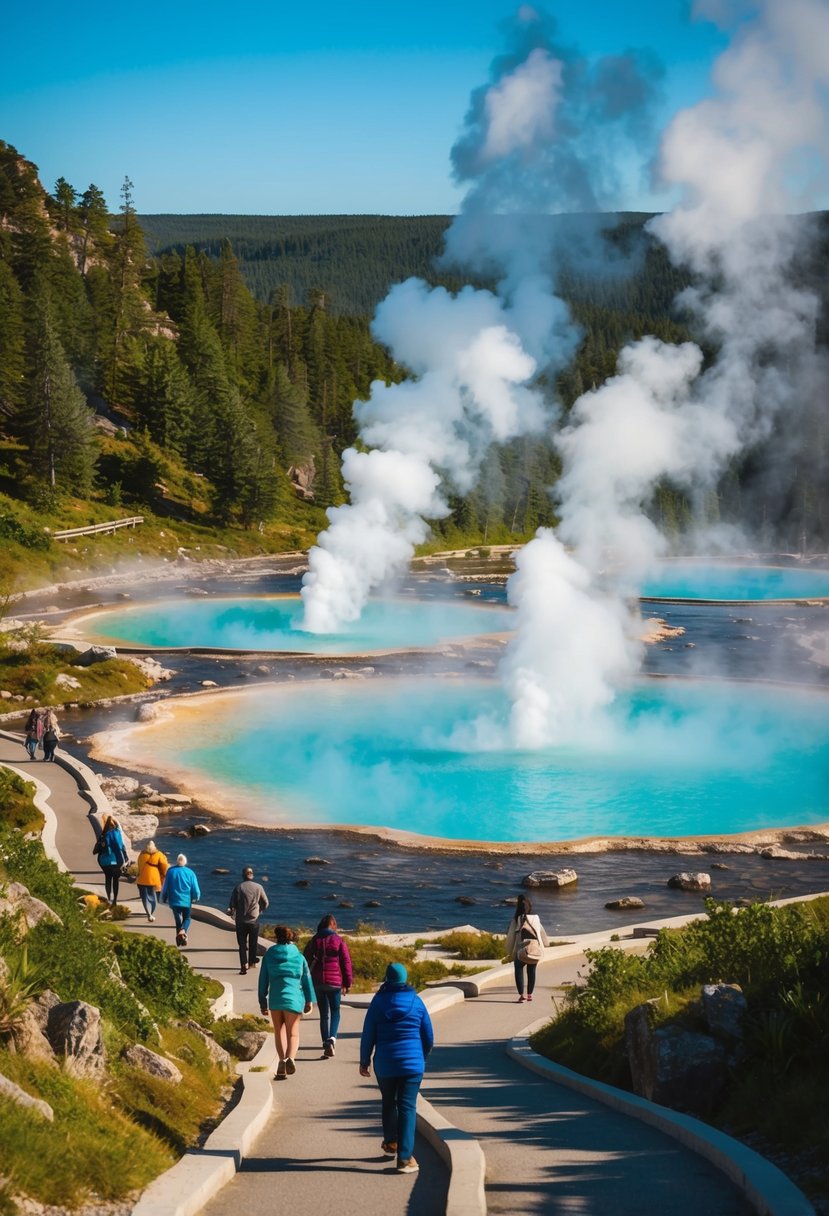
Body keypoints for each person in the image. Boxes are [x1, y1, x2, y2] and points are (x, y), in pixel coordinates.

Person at [359, 962, 434, 1175]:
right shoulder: (416, 1001)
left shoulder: (377, 1002)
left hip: (385, 1063)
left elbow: (368, 1034)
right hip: (412, 1064)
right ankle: (405, 1158)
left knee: (388, 1102)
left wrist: (364, 1061)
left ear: (387, 978)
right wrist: (421, 1056)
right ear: (404, 978)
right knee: (407, 1107)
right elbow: (428, 1036)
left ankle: (391, 1143)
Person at [258, 925, 315, 1080]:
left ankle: (282, 1061)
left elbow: (263, 980)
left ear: (277, 937)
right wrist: (309, 1000)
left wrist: (262, 1002)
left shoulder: (269, 955)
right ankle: (291, 1058)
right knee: (293, 1033)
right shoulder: (299, 956)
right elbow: (306, 979)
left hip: (276, 998)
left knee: (279, 1032)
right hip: (294, 998)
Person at [304, 913, 353, 1057]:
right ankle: (332, 1039)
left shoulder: (314, 940)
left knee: (324, 1014)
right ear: (333, 925)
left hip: (318, 981)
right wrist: (347, 983)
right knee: (335, 1012)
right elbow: (346, 962)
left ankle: (326, 1043)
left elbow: (305, 959)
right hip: (335, 982)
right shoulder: (339, 940)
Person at [505, 894, 550, 1003]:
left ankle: (522, 995)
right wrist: (545, 944)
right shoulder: (536, 918)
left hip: (521, 950)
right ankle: (530, 995)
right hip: (535, 949)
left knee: (518, 970)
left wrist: (509, 952)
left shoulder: (517, 919)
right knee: (532, 971)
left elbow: (511, 936)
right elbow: (541, 933)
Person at [227, 866, 269, 975]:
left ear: (243, 875)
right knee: (253, 943)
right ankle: (252, 963)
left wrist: (232, 912)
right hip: (254, 920)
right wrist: (259, 910)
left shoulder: (239, 887)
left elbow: (232, 904)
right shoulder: (259, 887)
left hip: (241, 920)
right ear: (252, 875)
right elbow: (266, 903)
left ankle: (243, 966)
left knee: (242, 944)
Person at [161, 853, 201, 947]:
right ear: (185, 862)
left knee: (178, 920)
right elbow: (195, 888)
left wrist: (163, 897)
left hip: (174, 900)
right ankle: (183, 932)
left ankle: (180, 940)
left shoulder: (170, 871)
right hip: (186, 901)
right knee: (187, 918)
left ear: (177, 861)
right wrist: (196, 897)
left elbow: (165, 886)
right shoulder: (190, 872)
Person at [95, 814, 129, 906]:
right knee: (115, 881)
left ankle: (108, 898)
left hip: (105, 861)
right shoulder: (116, 833)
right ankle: (114, 901)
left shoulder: (104, 834)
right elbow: (121, 846)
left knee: (108, 879)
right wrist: (126, 858)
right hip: (117, 860)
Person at [135, 839, 169, 923]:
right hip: (153, 879)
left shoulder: (142, 854)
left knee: (144, 897)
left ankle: (148, 913)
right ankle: (151, 912)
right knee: (153, 897)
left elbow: (139, 865)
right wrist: (164, 874)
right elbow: (164, 865)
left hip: (142, 879)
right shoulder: (158, 854)